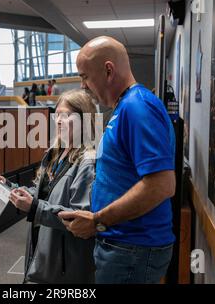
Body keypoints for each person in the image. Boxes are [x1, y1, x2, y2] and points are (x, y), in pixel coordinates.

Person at [58, 36, 176, 284]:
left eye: (85, 76)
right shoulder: (124, 107)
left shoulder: (137, 107)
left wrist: (98, 220)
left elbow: (161, 184)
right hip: (123, 245)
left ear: (108, 70)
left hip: (133, 248)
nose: (84, 86)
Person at [0, 90, 97, 284]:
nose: (58, 121)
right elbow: (43, 193)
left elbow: (78, 218)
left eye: (66, 116)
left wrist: (34, 207)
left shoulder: (87, 162)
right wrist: (10, 187)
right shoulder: (54, 153)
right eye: (57, 115)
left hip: (65, 265)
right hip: (43, 248)